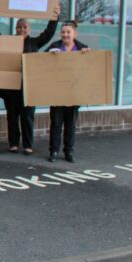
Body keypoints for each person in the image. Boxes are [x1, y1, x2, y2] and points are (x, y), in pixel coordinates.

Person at [0, 5, 60, 155]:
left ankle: (28, 145)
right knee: (12, 116)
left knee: (27, 117)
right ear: (15, 28)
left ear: (29, 29)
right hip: (11, 87)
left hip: (28, 88)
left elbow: (48, 33)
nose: (22, 29)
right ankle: (14, 144)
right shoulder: (9, 42)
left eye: (25, 27)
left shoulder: (34, 43)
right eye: (19, 27)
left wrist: (54, 17)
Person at [46, 20, 90, 163]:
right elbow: (41, 63)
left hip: (74, 92)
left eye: (68, 32)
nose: (65, 34)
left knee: (70, 124)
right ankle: (53, 151)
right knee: (56, 123)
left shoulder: (82, 48)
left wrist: (87, 55)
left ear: (74, 34)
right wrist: (49, 55)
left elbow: (89, 67)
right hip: (57, 92)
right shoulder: (54, 46)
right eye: (63, 32)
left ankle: (69, 151)